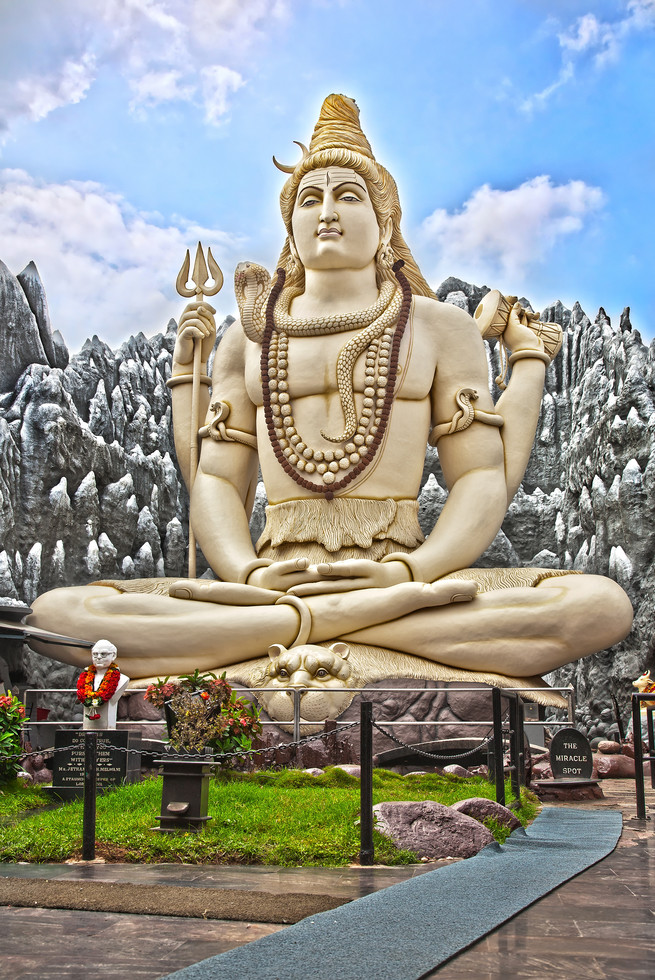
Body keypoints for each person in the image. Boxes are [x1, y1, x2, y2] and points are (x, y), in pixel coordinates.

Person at [29, 95, 632, 685]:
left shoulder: (438, 327)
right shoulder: (246, 339)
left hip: (399, 573)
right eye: (310, 198)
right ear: (289, 224)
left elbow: (479, 478)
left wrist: (409, 572)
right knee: (58, 617)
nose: (328, 211)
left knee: (598, 605)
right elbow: (216, 479)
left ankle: (288, 629)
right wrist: (244, 573)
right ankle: (344, 624)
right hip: (271, 580)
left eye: (349, 195)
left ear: (386, 219)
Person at [77, 639, 129, 730]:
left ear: (113, 656)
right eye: (95, 654)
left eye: (103, 654)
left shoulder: (123, 679)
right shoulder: (83, 678)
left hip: (107, 727)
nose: (99, 657)